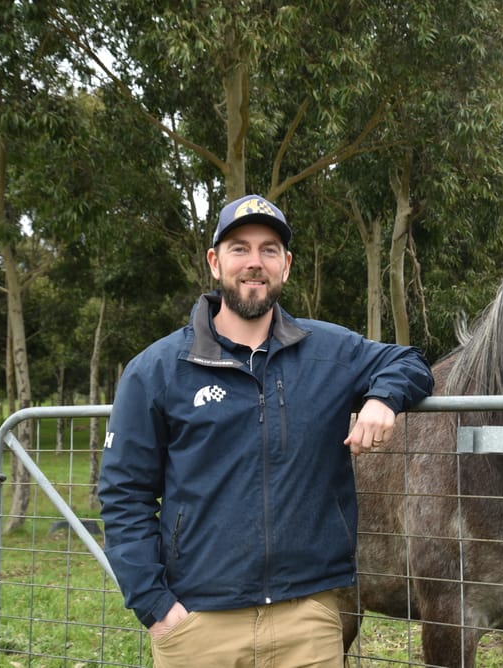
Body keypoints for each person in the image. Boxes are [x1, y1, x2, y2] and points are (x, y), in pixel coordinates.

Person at [98, 194, 434, 667]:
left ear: (287, 265)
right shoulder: (156, 370)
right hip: (198, 623)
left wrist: (383, 398)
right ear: (215, 262)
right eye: (239, 248)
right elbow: (123, 494)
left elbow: (411, 361)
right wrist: (156, 607)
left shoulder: (329, 352)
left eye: (269, 250)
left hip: (308, 621)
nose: (254, 263)